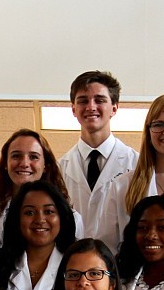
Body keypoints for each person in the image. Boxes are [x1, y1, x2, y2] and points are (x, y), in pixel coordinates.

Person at [99, 93, 164, 254]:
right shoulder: (122, 186)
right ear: (149, 132)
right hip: (134, 277)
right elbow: (107, 247)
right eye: (158, 125)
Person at [58, 71, 139, 246]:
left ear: (114, 108)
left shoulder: (136, 164)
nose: (91, 107)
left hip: (119, 265)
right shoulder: (59, 169)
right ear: (73, 109)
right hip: (72, 263)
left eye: (99, 100)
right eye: (83, 101)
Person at [0, 181, 77, 290]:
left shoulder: (74, 267)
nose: (40, 219)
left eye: (49, 211)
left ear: (61, 217)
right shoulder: (0, 269)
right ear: (17, 219)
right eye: (29, 212)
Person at [0, 129, 83, 242]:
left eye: (34, 157)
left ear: (46, 165)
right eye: (16, 156)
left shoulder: (72, 219)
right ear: (6, 164)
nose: (24, 164)